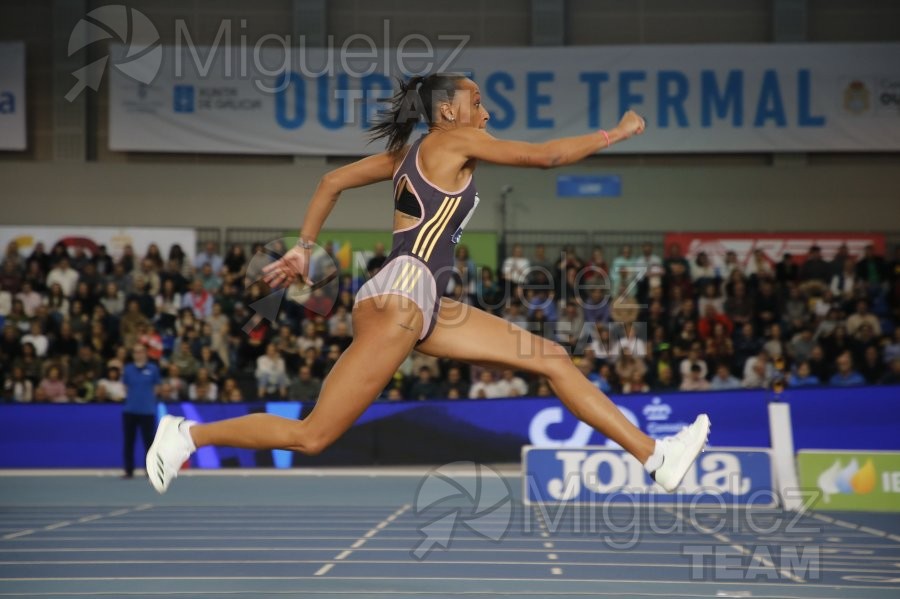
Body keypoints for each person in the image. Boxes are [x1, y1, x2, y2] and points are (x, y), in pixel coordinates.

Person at [147, 72, 708, 494]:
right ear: (447, 110)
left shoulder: (408, 155)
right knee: (313, 435)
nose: (485, 113)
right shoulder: (450, 141)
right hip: (402, 294)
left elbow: (331, 181)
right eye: (478, 101)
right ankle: (187, 436)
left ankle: (655, 455)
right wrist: (618, 132)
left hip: (423, 302)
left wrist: (304, 247)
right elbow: (548, 156)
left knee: (553, 358)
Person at [122, 344, 161, 479]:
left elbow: (156, 388)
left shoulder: (153, 369)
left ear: (146, 354)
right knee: (129, 442)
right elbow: (125, 388)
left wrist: (148, 401)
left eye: (141, 352)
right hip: (130, 411)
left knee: (149, 443)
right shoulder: (128, 370)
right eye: (136, 352)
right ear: (133, 355)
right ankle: (129, 470)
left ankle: (149, 470)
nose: (139, 354)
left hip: (147, 411)